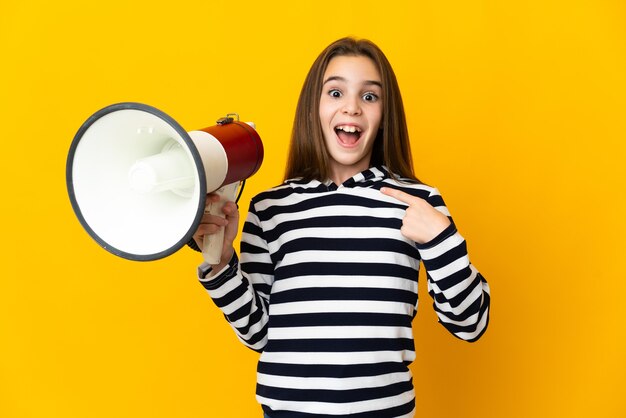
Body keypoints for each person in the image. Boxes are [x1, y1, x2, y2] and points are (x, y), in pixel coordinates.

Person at [192, 37, 491, 418]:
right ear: (313, 108)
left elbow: (470, 323)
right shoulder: (270, 208)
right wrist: (220, 264)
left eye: (370, 97)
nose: (351, 106)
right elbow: (259, 333)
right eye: (335, 92)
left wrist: (442, 240)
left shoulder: (419, 202)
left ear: (385, 113)